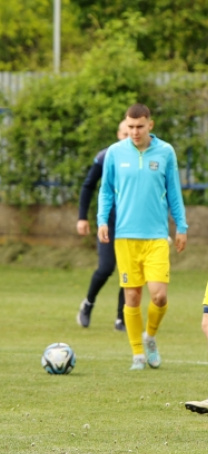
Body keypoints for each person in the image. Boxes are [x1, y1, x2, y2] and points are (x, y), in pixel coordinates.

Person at [97, 103, 187, 370]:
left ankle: (150, 336)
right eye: (130, 127)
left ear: (150, 124)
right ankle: (137, 354)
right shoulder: (115, 153)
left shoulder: (166, 152)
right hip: (125, 236)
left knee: (159, 296)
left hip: (157, 236)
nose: (134, 132)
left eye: (139, 126)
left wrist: (181, 226)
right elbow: (105, 191)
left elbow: (174, 191)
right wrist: (102, 220)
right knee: (132, 297)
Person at [76, 120, 128, 332]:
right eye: (125, 133)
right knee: (106, 268)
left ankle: (121, 318)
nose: (128, 137)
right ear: (118, 134)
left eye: (132, 132)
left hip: (132, 224)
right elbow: (89, 186)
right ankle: (88, 303)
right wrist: (82, 217)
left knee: (129, 272)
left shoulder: (145, 159)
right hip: (110, 222)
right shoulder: (105, 157)